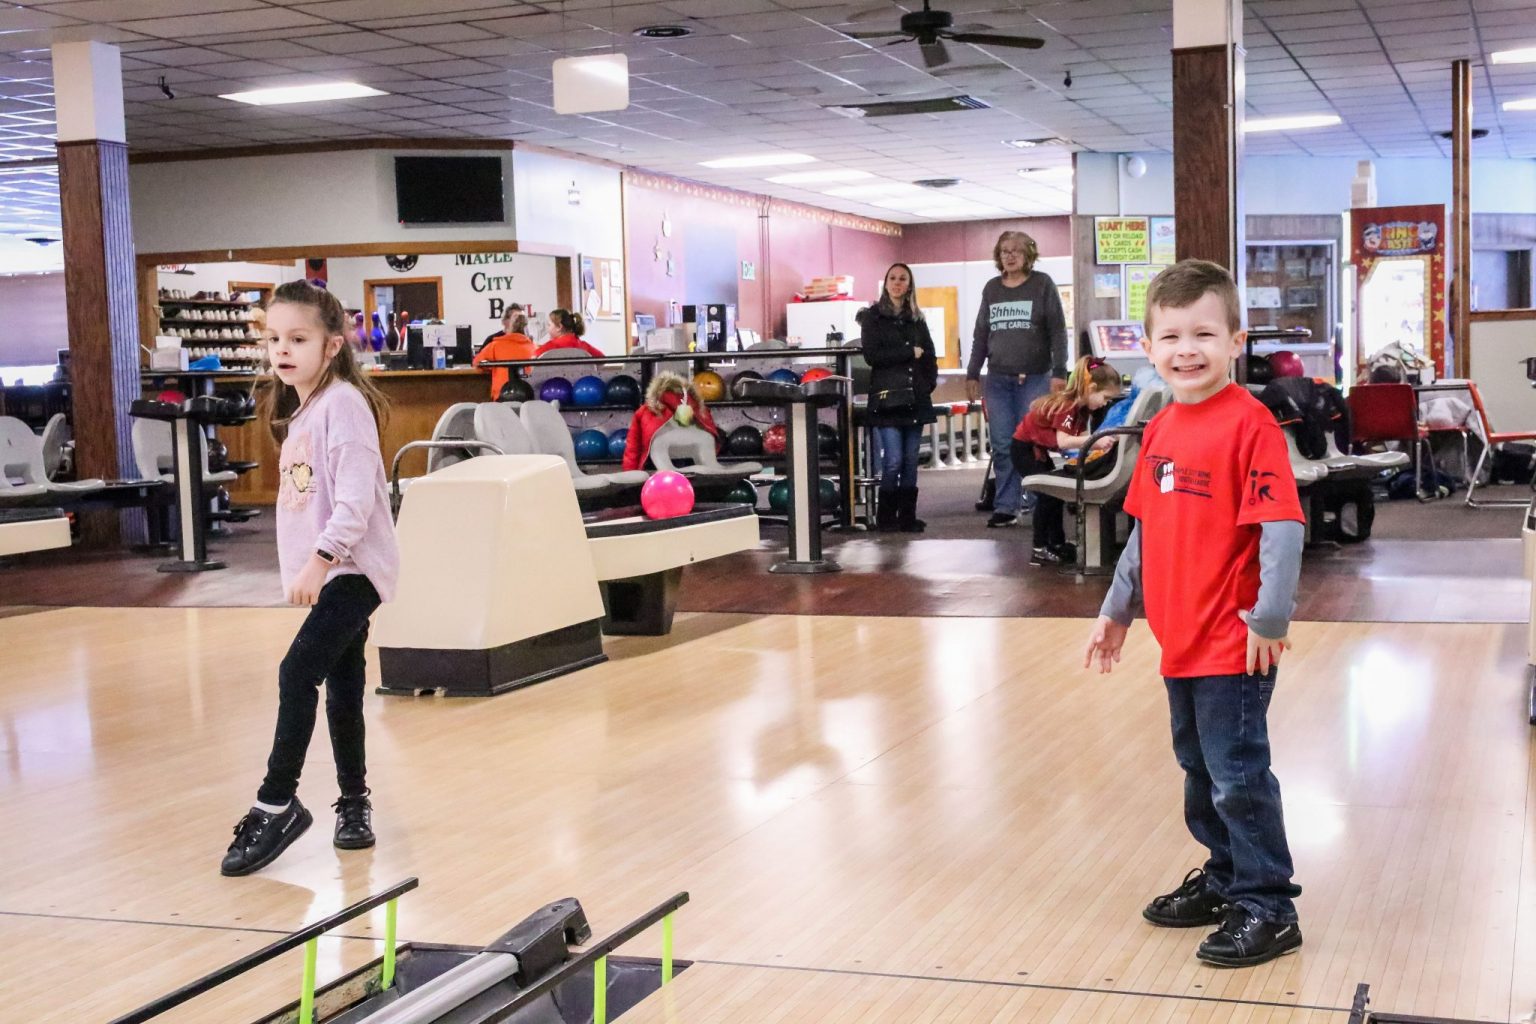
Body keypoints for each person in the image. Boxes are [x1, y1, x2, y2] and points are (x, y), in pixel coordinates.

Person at [1083, 259, 1305, 968]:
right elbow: (1145, 531)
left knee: (1238, 776)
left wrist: (1269, 619)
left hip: (1232, 642)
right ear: (1147, 348)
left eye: (1204, 334)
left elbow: (1283, 528)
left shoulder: (1252, 425)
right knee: (1200, 772)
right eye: (1172, 336)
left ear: (1235, 341)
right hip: (1177, 638)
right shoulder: (1160, 427)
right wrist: (1118, 609)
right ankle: (1225, 878)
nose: (1187, 350)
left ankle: (1269, 905)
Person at [221, 279, 399, 878]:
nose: (283, 349)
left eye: (298, 338)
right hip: (334, 570)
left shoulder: (342, 404)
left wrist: (320, 561)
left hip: (352, 569)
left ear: (332, 345)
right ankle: (354, 803)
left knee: (297, 673)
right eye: (274, 338)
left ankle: (276, 804)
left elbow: (356, 503)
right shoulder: (305, 410)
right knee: (343, 683)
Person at [966, 231, 1069, 528]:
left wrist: (1059, 372)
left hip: (1036, 377)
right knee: (1002, 444)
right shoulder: (992, 289)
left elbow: (1058, 331)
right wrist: (972, 373)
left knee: (1033, 441)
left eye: (1016, 251)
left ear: (1029, 255)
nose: (1010, 256)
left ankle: (1038, 502)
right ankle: (1006, 505)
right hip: (998, 379)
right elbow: (981, 335)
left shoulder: (1042, 284)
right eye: (1005, 251)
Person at [1010, 355, 1122, 564]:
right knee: (1047, 495)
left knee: (1055, 496)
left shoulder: (1081, 410)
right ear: (1092, 388)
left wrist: (1096, 445)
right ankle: (1039, 547)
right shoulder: (1068, 407)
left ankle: (1057, 542)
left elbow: (1078, 440)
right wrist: (1096, 441)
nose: (1105, 404)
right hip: (1024, 449)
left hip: (1037, 450)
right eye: (1105, 397)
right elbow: (1064, 442)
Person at [858, 262, 938, 533]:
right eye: (892, 278)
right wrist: (908, 352)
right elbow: (872, 356)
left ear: (909, 284)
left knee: (911, 459)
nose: (897, 283)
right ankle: (886, 517)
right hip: (887, 399)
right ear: (886, 283)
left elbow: (929, 354)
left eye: (903, 278)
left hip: (915, 396)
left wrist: (928, 383)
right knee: (893, 460)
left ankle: (908, 517)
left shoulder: (917, 318)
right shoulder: (872, 317)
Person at [622, 371, 719, 471]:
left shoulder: (646, 410)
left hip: (658, 459)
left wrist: (631, 471)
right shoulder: (696, 405)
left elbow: (633, 446)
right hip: (692, 453)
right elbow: (710, 428)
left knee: (659, 442)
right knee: (706, 439)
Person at [471, 311, 537, 400]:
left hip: (502, 395)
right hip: (528, 395)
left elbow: (477, 363)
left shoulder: (495, 345)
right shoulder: (533, 347)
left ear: (509, 327)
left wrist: (491, 367)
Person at [534, 309, 605, 358]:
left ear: (559, 327)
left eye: (549, 325)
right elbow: (602, 359)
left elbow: (533, 357)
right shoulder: (583, 345)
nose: (547, 328)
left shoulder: (552, 345)